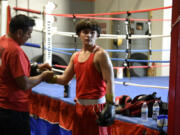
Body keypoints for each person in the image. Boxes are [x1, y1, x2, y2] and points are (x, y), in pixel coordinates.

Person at [48, 19, 115, 135]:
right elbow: (64, 79)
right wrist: (46, 76)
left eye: (92, 32)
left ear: (97, 35)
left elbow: (109, 81)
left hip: (96, 108)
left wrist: (110, 105)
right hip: (79, 107)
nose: (88, 35)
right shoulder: (75, 56)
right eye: (85, 32)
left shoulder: (101, 55)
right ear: (79, 34)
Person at [0, 14, 54, 135]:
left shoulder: (3, 41)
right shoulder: (15, 51)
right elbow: (24, 84)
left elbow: (11, 70)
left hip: (4, 106)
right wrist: (42, 77)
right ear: (19, 32)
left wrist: (36, 67)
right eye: (28, 33)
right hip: (14, 109)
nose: (29, 37)